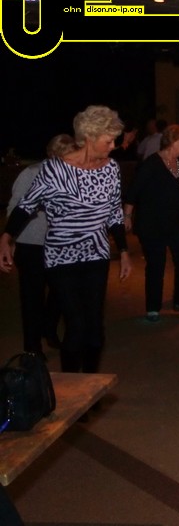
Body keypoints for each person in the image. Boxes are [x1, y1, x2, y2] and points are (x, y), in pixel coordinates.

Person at [0, 105, 132, 374]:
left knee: (95, 331)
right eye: (109, 140)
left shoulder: (111, 169)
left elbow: (114, 213)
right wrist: (6, 237)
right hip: (62, 257)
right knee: (76, 327)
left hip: (96, 255)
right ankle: (72, 384)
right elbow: (25, 206)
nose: (113, 146)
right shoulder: (54, 170)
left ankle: (91, 384)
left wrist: (124, 250)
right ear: (90, 137)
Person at [7, 134, 74, 357]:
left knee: (59, 292)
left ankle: (49, 330)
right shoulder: (32, 173)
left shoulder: (72, 174)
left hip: (60, 244)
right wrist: (10, 238)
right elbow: (14, 208)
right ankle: (32, 347)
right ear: (52, 154)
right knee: (32, 297)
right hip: (31, 244)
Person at [123, 124, 179, 322]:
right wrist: (127, 216)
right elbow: (134, 191)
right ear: (172, 141)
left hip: (177, 222)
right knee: (156, 265)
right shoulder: (151, 164)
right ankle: (153, 308)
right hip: (152, 223)